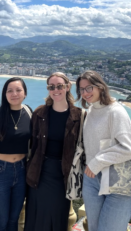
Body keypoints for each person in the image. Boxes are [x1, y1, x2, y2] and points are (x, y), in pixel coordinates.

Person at [76, 70, 131, 231]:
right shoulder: (91, 111)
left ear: (100, 87)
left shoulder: (115, 111)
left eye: (89, 88)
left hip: (118, 181)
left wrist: (98, 162)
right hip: (92, 181)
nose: (85, 93)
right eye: (81, 89)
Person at [25, 72, 82, 231]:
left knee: (57, 216)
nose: (55, 90)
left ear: (67, 87)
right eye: (51, 87)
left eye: (59, 86)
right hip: (39, 171)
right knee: (37, 215)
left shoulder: (79, 116)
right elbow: (31, 143)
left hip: (63, 174)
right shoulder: (39, 113)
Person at [0, 77, 32, 231]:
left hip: (22, 171)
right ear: (5, 94)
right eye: (10, 90)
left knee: (13, 220)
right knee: (0, 223)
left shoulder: (29, 112)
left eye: (18, 90)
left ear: (25, 93)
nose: (14, 94)